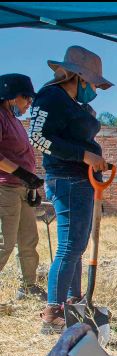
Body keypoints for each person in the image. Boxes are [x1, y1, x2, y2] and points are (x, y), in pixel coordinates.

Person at [28, 46, 113, 332]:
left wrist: (95, 160)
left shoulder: (75, 104)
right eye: (92, 83)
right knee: (68, 246)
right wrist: (84, 155)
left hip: (82, 179)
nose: (94, 90)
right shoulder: (51, 97)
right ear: (77, 76)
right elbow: (37, 137)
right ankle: (53, 311)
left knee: (77, 244)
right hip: (66, 179)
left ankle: (75, 305)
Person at [0, 73, 46, 301]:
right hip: (4, 188)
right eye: (26, 98)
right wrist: (22, 174)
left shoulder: (15, 121)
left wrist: (31, 186)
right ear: (10, 96)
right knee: (4, 243)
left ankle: (28, 287)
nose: (29, 103)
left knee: (28, 240)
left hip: (21, 188)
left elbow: (22, 157)